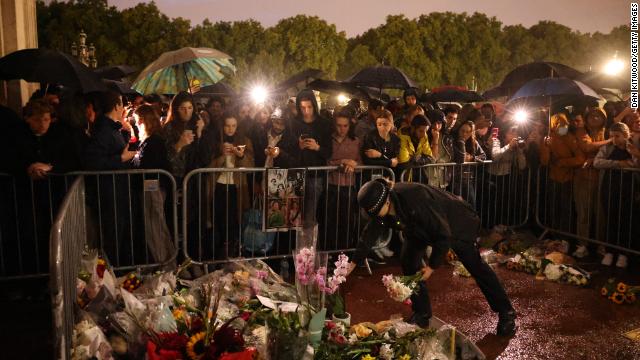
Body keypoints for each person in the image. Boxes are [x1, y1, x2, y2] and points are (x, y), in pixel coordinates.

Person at [352, 178, 516, 336]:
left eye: (374, 213)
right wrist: (353, 262)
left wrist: (431, 267)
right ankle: (422, 313)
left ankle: (506, 312)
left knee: (475, 265)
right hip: (419, 229)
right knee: (408, 261)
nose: (374, 217)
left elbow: (443, 235)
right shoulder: (383, 208)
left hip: (456, 225)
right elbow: (370, 232)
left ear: (386, 202)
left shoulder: (415, 198)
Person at [132, 104, 175, 268]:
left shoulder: (154, 142)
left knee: (155, 228)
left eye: (137, 121)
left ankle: (164, 265)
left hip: (152, 188)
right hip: (152, 187)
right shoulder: (152, 140)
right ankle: (167, 264)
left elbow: (147, 166)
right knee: (156, 227)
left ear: (144, 121)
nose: (136, 124)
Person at [209, 113, 254, 258]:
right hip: (218, 186)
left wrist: (240, 156)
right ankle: (218, 254)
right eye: (227, 125)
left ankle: (232, 252)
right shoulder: (216, 141)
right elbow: (208, 166)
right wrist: (222, 155)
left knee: (235, 220)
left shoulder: (245, 141)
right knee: (218, 220)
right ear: (222, 127)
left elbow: (250, 165)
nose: (230, 129)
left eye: (233, 125)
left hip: (237, 187)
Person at [288, 89, 333, 229]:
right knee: (292, 215)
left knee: (309, 215)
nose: (306, 111)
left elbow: (329, 152)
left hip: (315, 176)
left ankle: (307, 248)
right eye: (302, 107)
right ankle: (293, 246)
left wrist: (317, 147)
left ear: (314, 105)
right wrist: (298, 146)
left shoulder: (324, 124)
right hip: (295, 174)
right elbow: (287, 149)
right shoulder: (293, 123)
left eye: (309, 107)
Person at [593, 122, 639, 259]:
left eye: (617, 136)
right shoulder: (607, 148)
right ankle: (609, 251)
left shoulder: (633, 147)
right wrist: (618, 164)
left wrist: (634, 156)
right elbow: (597, 162)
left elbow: (635, 164)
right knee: (610, 219)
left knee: (626, 220)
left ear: (626, 135)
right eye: (612, 136)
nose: (614, 140)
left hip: (628, 189)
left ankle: (623, 253)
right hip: (609, 188)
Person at [540, 113, 585, 233]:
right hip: (553, 178)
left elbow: (580, 158)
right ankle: (555, 235)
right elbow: (544, 161)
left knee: (566, 209)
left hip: (568, 178)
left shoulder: (570, 138)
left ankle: (565, 236)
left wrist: (563, 162)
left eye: (564, 124)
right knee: (554, 208)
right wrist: (546, 147)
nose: (563, 126)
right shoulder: (548, 139)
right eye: (559, 124)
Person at [452, 120, 486, 207]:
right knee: (457, 206)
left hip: (468, 179)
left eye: (467, 132)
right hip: (455, 179)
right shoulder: (453, 141)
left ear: (471, 133)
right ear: (459, 130)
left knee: (471, 205)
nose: (464, 134)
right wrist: (461, 143)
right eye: (462, 131)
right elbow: (460, 159)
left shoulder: (473, 143)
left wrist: (472, 158)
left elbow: (483, 156)